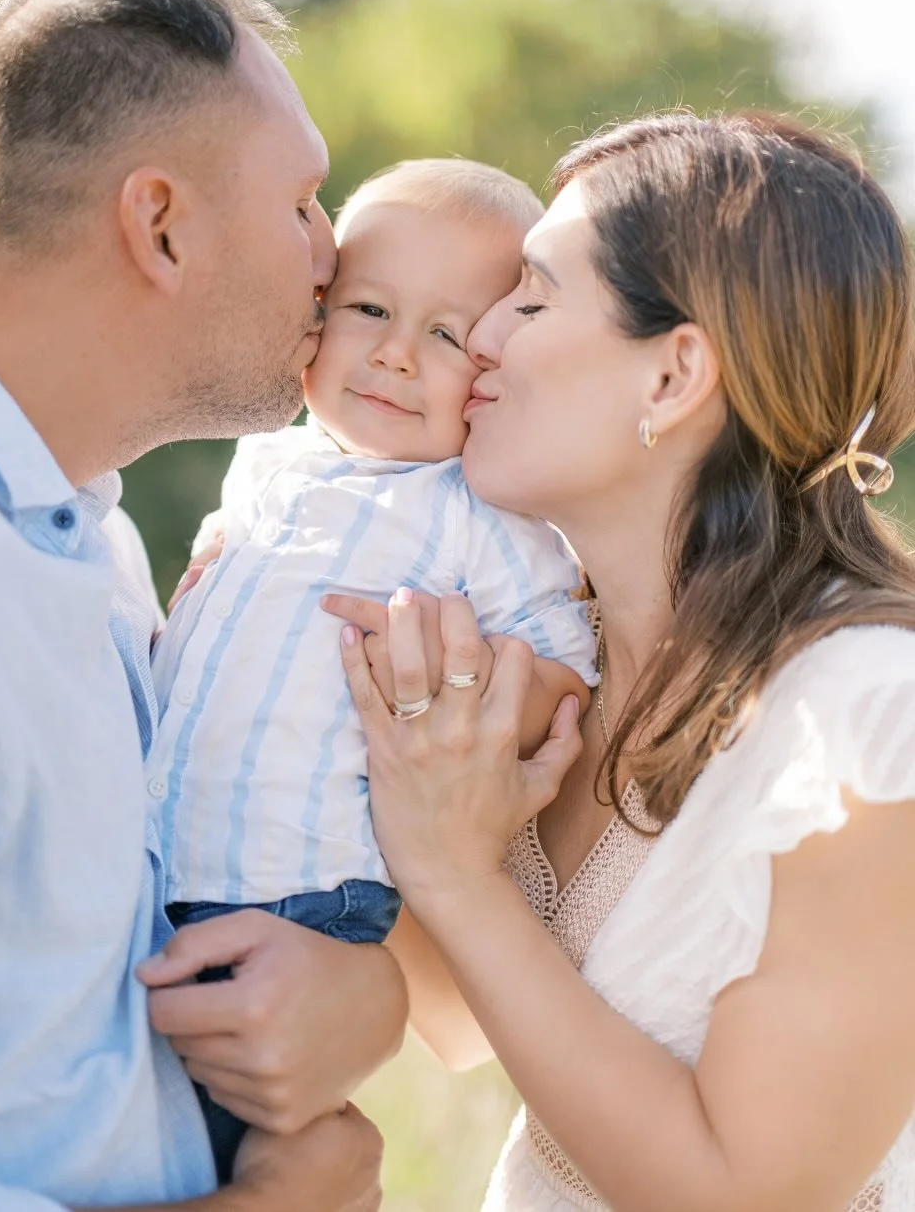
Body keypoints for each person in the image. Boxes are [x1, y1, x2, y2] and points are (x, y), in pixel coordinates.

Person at [0, 0, 406, 1212]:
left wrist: (363, 991)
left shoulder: (76, 527)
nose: (334, 251)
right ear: (161, 225)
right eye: (304, 201)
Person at [326, 112, 915, 1211]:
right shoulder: (559, 659)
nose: (482, 335)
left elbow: (748, 1194)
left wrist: (455, 868)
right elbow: (460, 1021)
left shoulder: (865, 722)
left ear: (672, 375)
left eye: (533, 298)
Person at [150, 158, 597, 1177]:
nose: (396, 356)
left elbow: (567, 674)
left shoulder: (477, 510)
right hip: (155, 862)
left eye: (444, 334)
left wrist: (466, 670)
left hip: (303, 892)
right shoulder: (265, 460)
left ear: (489, 372)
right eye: (369, 309)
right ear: (313, 317)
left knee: (233, 1128)